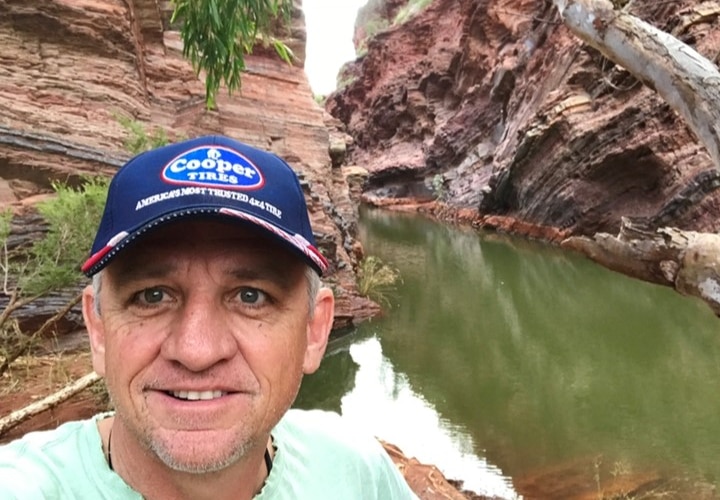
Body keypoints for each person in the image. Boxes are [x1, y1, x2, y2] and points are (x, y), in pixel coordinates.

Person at [0, 135, 418, 499]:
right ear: (98, 328)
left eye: (251, 296)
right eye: (152, 295)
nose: (197, 351)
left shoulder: (355, 473)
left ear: (314, 331)